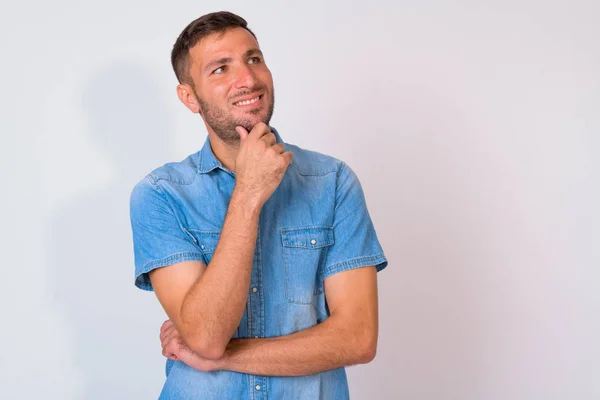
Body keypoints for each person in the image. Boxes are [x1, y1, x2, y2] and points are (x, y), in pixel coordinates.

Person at [129, 11, 388, 400]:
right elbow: (206, 335)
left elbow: (358, 338)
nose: (248, 79)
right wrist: (249, 193)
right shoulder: (160, 195)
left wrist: (221, 358)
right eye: (220, 69)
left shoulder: (331, 182)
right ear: (189, 96)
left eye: (254, 58)